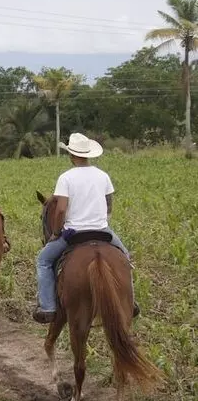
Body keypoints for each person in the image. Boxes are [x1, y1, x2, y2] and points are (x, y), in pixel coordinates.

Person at [33, 133, 138, 324]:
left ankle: (47, 307)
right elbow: (108, 205)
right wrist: (102, 221)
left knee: (43, 261)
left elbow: (61, 209)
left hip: (73, 233)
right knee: (125, 258)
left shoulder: (66, 178)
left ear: (71, 156)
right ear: (88, 154)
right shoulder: (103, 176)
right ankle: (130, 303)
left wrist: (56, 233)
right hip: (103, 231)